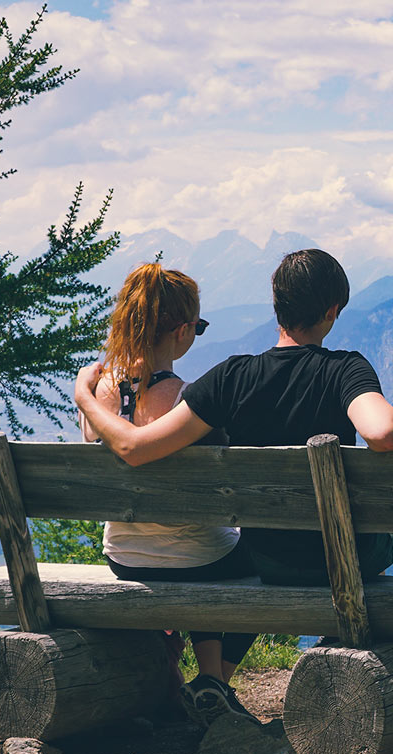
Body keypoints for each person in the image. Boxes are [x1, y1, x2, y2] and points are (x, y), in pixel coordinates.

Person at [74, 248, 393, 590]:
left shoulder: (230, 377)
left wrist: (85, 395)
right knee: (383, 530)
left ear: (278, 306)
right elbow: (384, 433)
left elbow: (136, 446)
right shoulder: (345, 369)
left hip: (268, 559)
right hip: (342, 557)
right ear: (332, 311)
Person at [78, 262, 261, 728]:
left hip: (124, 556)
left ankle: (207, 679)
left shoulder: (97, 394)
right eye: (197, 328)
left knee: (197, 550)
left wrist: (85, 395)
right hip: (201, 561)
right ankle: (215, 679)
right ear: (181, 331)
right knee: (253, 555)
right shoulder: (187, 399)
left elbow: (92, 440)